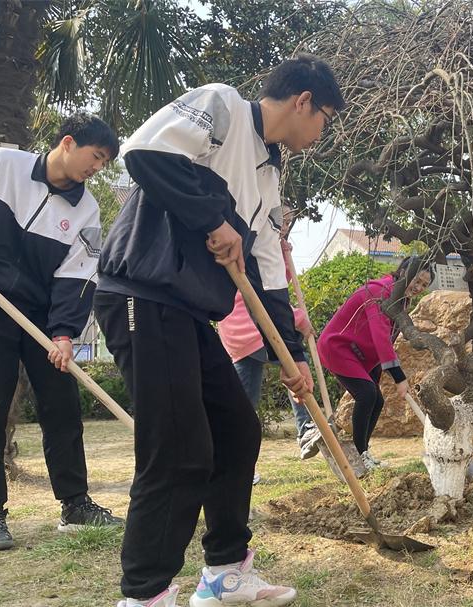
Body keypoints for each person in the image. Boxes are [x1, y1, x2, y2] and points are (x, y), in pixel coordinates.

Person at [93, 54, 344, 607]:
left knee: (237, 432)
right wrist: (213, 218)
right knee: (179, 451)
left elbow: (267, 271)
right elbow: (145, 152)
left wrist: (291, 357)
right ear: (303, 101)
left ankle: (226, 572)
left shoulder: (269, 172)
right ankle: (144, 594)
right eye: (324, 117)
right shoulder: (222, 107)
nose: (320, 133)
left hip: (187, 314)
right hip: (142, 295)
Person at [0, 114, 124, 552]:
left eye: (104, 163)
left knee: (62, 408)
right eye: (96, 157)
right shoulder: (0, 164)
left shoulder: (86, 210)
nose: (97, 168)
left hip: (44, 318)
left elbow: (78, 275)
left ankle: (75, 504)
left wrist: (64, 333)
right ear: (68, 143)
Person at [316, 256, 434, 474]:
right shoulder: (379, 293)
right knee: (367, 395)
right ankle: (360, 456)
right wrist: (399, 376)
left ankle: (363, 453)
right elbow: (380, 336)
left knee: (376, 399)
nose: (418, 287)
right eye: (416, 280)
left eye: (424, 285)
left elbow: (386, 339)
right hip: (338, 347)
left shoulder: (400, 301)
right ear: (403, 272)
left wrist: (383, 370)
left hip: (360, 353)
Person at [218, 239, 320, 477]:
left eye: (286, 220)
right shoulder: (248, 243)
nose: (283, 225)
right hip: (253, 328)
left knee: (243, 407)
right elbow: (269, 295)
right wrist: (301, 319)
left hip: (238, 337)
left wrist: (282, 256)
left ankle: (238, 463)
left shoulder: (259, 239)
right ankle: (305, 427)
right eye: (281, 221)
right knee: (295, 367)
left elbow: (277, 283)